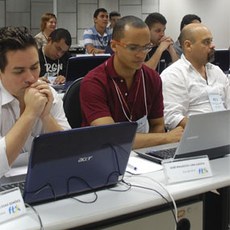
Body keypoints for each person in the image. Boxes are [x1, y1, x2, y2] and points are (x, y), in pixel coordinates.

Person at [80, 16, 183, 149]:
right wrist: (165, 138)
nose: (141, 55)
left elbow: (157, 124)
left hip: (141, 154)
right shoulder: (94, 82)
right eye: (133, 48)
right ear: (114, 46)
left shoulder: (152, 78)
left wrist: (152, 152)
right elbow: (110, 137)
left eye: (146, 47)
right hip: (101, 155)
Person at [0, 26, 70, 177]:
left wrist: (45, 116)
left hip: (43, 177)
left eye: (35, 67)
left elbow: (70, 152)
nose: (31, 78)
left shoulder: (48, 93)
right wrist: (30, 114)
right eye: (19, 71)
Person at [161, 23, 230, 131]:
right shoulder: (173, 74)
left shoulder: (216, 71)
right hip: (195, 135)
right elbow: (171, 117)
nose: (212, 45)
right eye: (206, 42)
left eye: (211, 41)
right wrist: (209, 129)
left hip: (224, 133)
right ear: (188, 46)